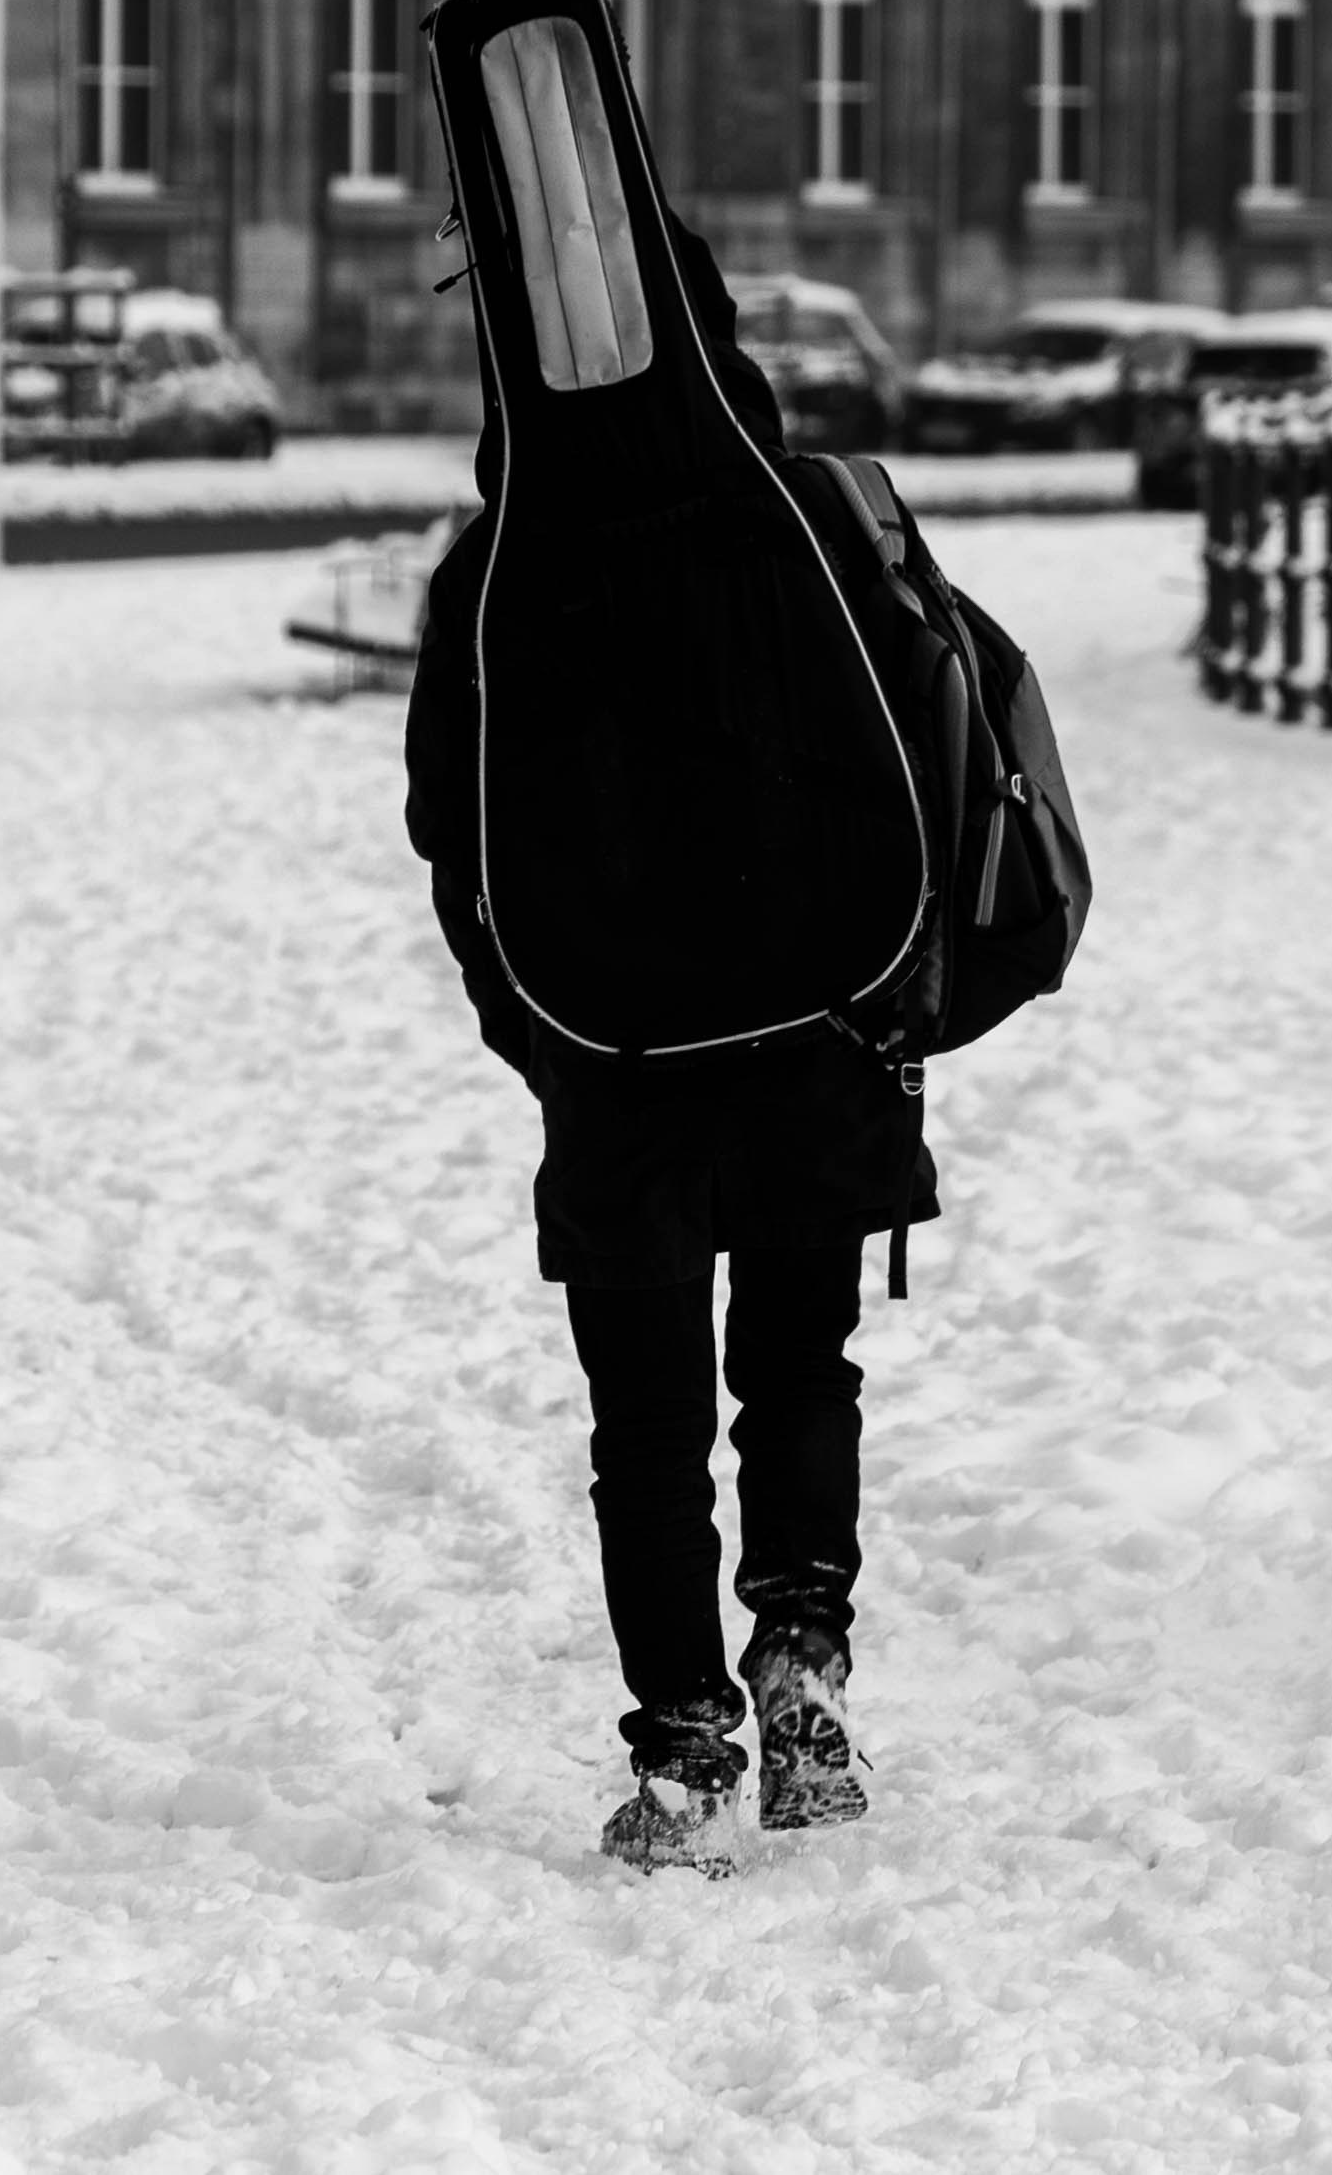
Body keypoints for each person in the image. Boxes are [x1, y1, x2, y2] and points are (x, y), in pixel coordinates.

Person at [402, 217, 935, 1875]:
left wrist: (539, 1031)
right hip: (816, 1025)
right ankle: (805, 1659)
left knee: (645, 1426)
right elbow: (923, 741)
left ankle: (688, 1749)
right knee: (801, 1371)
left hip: (613, 1056)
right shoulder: (808, 515)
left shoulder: (497, 566)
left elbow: (452, 835)